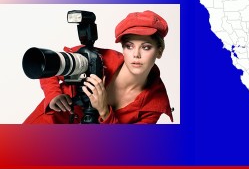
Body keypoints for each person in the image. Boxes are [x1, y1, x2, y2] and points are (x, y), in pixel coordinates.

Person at [23, 10, 173, 124]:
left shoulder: (154, 104)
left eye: (146, 47)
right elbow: (51, 66)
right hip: (48, 124)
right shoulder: (96, 57)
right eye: (129, 46)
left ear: (159, 51)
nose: (136, 54)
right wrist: (53, 94)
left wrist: (104, 111)